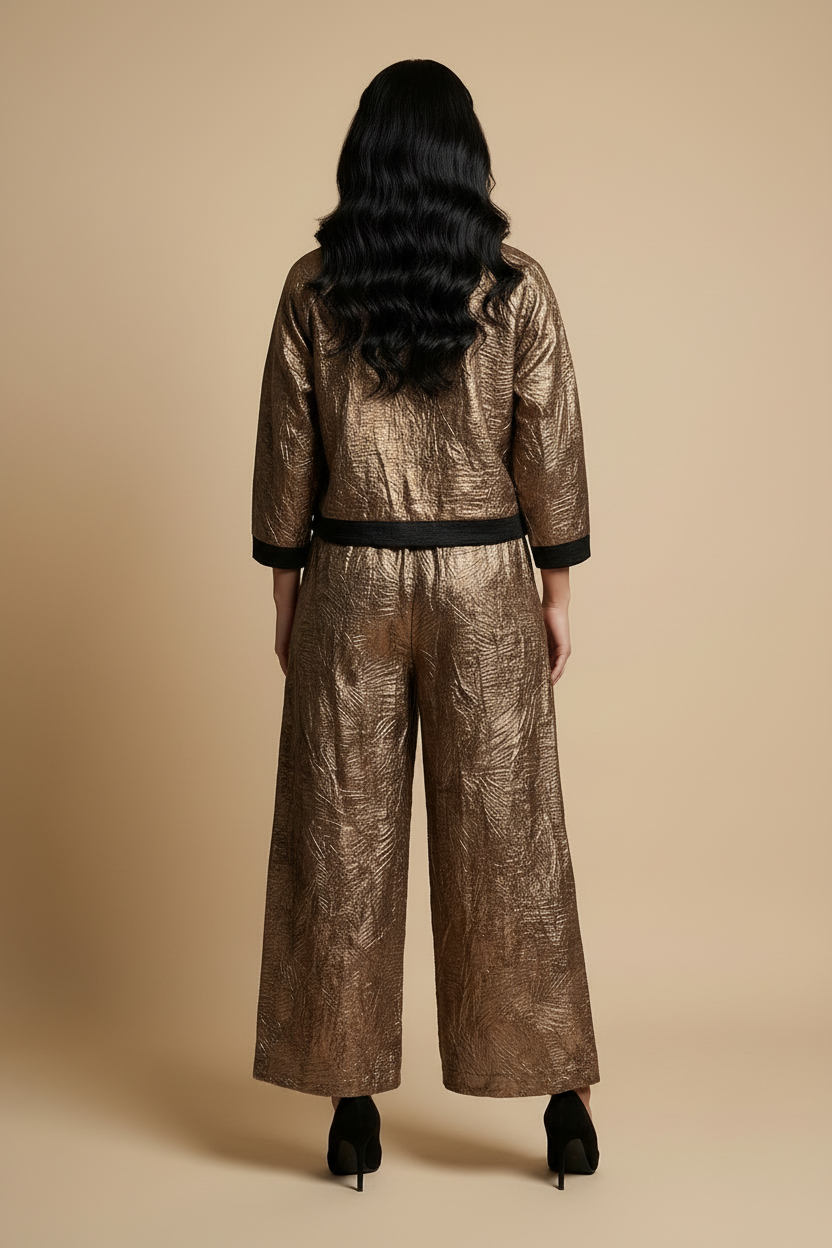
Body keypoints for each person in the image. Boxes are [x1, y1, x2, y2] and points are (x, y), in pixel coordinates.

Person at [250, 58, 601, 1192]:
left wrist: (287, 591)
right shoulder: (516, 289)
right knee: (511, 842)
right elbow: (548, 442)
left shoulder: (314, 288)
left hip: (349, 575)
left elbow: (289, 448)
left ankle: (350, 1110)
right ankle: (563, 1108)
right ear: (465, 160)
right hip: (485, 582)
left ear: (363, 158)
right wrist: (556, 590)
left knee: (340, 839)